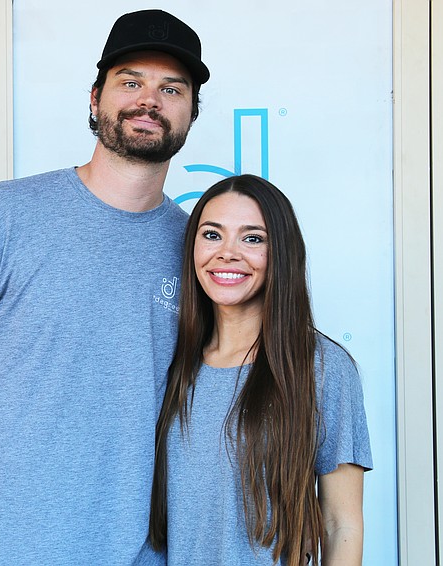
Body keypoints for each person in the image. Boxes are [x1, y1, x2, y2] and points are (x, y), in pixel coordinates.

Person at [0, 9, 209, 566]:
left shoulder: (198, 251)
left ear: (192, 111)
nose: (150, 100)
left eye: (172, 88)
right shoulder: (3, 214)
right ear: (95, 99)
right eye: (131, 82)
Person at [149, 175, 373, 565]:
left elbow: (341, 523)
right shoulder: (174, 363)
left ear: (281, 253)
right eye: (212, 235)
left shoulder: (321, 368)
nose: (227, 253)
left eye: (252, 238)